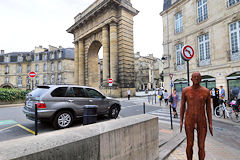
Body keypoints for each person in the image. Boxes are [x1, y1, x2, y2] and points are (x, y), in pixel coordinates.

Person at [180, 72, 213, 160]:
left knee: (201, 145)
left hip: (201, 120)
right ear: (191, 79)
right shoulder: (185, 91)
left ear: (201, 79)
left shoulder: (206, 91)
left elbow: (209, 108)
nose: (196, 78)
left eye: (198, 77)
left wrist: (210, 123)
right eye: (194, 77)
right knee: (190, 144)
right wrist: (181, 121)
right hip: (189, 120)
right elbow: (182, 106)